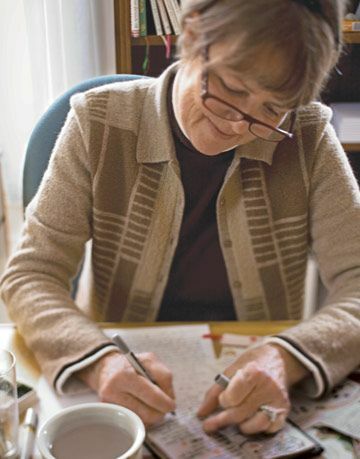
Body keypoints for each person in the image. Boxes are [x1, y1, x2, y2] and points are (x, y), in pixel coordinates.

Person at [1, 0, 359, 436]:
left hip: (253, 389)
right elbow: (30, 275)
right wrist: (99, 360)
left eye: (271, 110)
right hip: (124, 385)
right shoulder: (97, 122)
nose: (237, 126)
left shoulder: (307, 137)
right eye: (231, 89)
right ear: (190, 36)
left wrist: (286, 356)